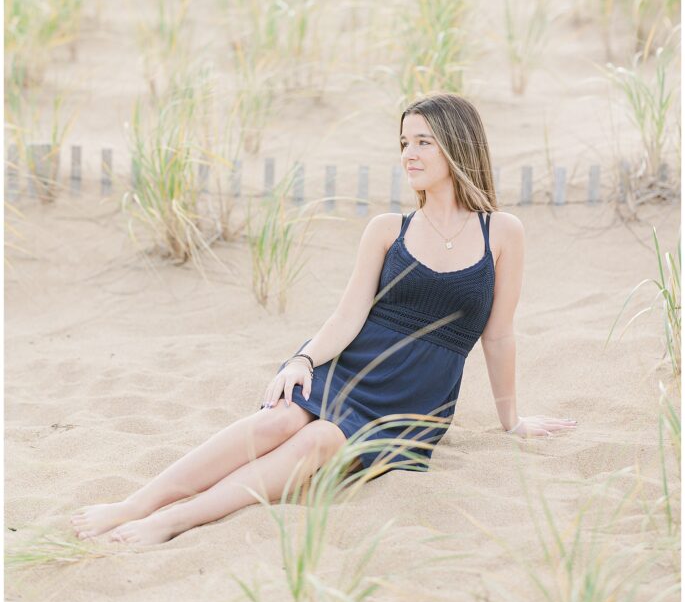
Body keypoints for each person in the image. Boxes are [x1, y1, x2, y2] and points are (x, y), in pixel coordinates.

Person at [71, 92, 577, 546]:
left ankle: (174, 521)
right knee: (282, 418)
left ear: (458, 145)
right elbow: (348, 314)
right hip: (349, 369)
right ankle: (137, 505)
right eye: (404, 142)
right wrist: (301, 360)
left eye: (424, 142)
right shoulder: (388, 230)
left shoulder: (502, 233)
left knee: (317, 439)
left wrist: (511, 422)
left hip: (412, 402)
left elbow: (499, 334)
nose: (409, 154)